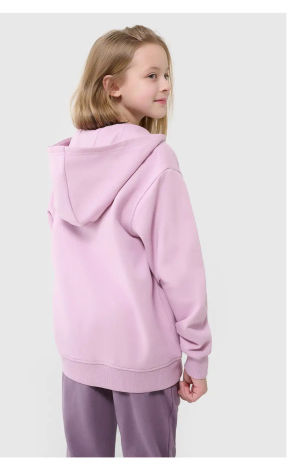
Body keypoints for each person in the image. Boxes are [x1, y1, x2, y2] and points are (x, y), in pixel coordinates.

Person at [46, 25, 212, 458]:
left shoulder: (69, 160)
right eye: (152, 75)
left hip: (79, 348)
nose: (166, 85)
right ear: (112, 86)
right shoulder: (155, 160)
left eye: (167, 74)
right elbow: (180, 269)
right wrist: (197, 355)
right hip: (142, 355)